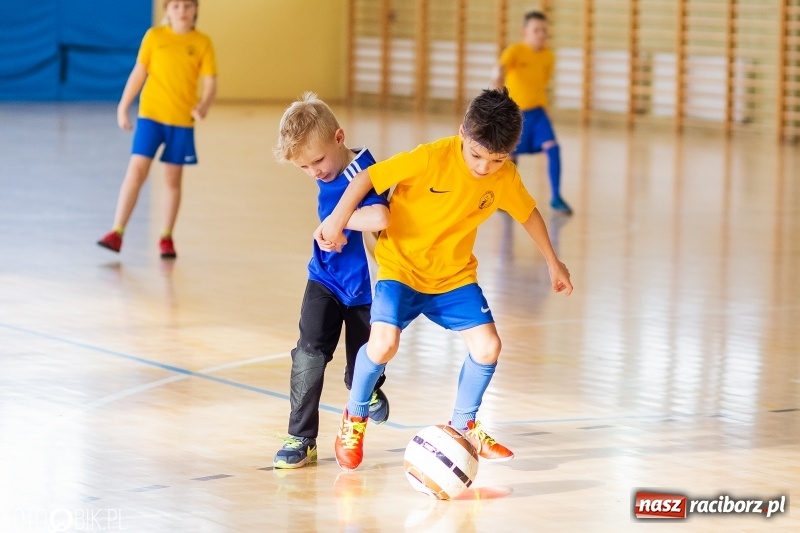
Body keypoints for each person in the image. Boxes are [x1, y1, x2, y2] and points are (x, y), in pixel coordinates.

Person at [314, 87, 573, 471]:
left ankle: (464, 426)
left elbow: (528, 213)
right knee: (383, 345)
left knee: (488, 347)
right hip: (400, 268)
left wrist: (553, 261)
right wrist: (336, 221)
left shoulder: (504, 177)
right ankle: (354, 418)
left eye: (497, 160)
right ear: (463, 133)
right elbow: (368, 176)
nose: (484, 167)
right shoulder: (430, 157)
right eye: (477, 155)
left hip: (452, 277)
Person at [272, 93, 392, 469]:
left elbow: (380, 219)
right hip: (324, 277)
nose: (314, 173)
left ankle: (368, 388)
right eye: (304, 167)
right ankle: (301, 438)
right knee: (308, 355)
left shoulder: (367, 169)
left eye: (318, 161)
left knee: (364, 364)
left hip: (365, 288)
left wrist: (336, 222)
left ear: (339, 138)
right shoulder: (324, 165)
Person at [97, 0, 217, 259]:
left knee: (173, 179)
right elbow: (139, 73)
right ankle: (117, 231)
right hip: (151, 117)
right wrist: (123, 106)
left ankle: (166, 237)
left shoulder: (202, 42)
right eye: (176, 6)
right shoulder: (154, 37)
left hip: (181, 122)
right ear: (167, 11)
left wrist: (204, 104)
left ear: (195, 9)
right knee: (136, 171)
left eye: (187, 5)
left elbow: (210, 82)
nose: (182, 11)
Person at [492, 10, 573, 215]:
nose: (541, 35)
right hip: (514, 114)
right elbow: (499, 69)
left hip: (537, 114)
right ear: (525, 32)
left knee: (552, 148)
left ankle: (555, 197)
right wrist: (497, 94)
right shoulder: (515, 51)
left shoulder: (548, 57)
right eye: (536, 30)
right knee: (509, 157)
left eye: (544, 31)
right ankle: (504, 197)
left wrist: (546, 109)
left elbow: (540, 85)